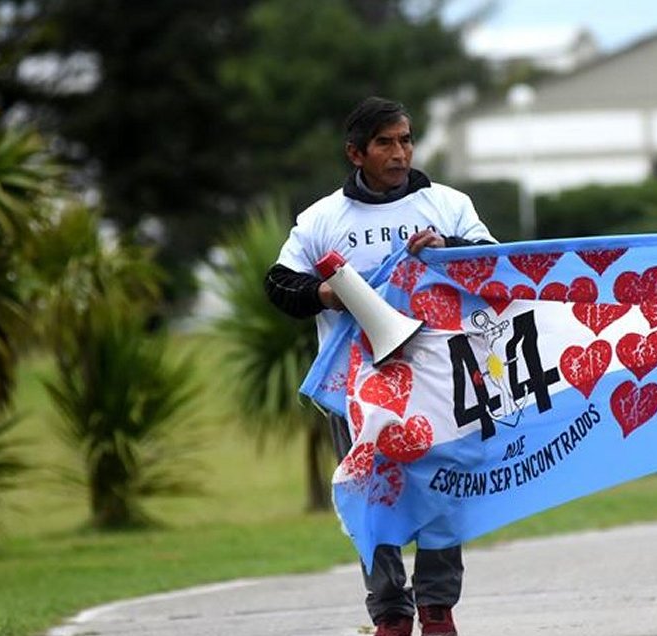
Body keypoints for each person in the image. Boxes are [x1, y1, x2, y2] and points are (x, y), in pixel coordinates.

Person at [264, 96, 495, 636]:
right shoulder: (323, 219)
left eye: (406, 140)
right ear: (355, 153)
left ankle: (438, 608)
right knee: (371, 494)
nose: (400, 152)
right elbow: (278, 284)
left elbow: (494, 268)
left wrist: (448, 249)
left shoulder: (448, 204)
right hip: (356, 387)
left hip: (439, 382)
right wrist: (326, 293)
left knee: (443, 488)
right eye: (385, 143)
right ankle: (391, 613)